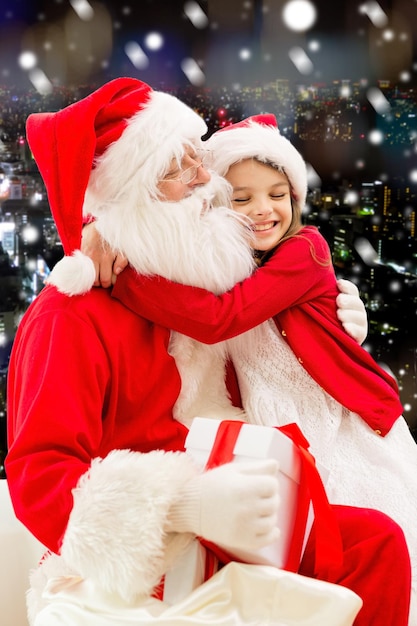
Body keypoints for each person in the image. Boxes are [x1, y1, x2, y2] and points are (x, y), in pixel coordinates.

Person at [6, 79, 411, 626]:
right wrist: (183, 507)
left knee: (377, 543)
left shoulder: (189, 290)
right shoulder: (69, 316)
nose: (207, 181)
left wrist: (338, 319)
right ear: (132, 194)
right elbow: (40, 474)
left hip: (238, 510)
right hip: (148, 555)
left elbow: (260, 318)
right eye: (180, 168)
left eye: (201, 159)